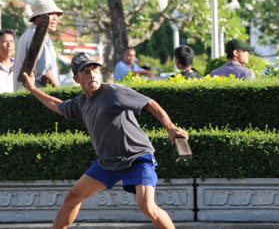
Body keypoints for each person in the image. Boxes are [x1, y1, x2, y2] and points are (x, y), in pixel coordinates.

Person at [21, 52, 189, 229]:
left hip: (137, 158)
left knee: (147, 206)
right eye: (85, 71)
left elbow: (149, 103)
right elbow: (58, 106)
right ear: (76, 78)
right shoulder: (82, 102)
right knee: (72, 196)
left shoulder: (113, 92)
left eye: (94, 69)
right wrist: (33, 89)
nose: (92, 74)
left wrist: (170, 127)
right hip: (108, 163)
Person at [13, 0, 63, 91]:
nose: (55, 18)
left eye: (56, 14)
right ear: (38, 17)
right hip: (36, 99)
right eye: (50, 14)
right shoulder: (38, 35)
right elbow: (44, 73)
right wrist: (63, 97)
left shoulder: (27, 35)